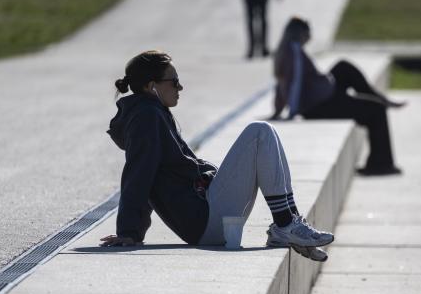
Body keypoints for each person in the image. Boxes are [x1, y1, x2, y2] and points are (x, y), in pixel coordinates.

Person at [100, 50, 332, 262]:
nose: (180, 88)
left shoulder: (153, 113)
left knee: (266, 132)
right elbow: (140, 173)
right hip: (203, 221)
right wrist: (129, 232)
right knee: (259, 132)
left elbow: (151, 174)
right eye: (174, 82)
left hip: (206, 214)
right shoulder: (146, 118)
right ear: (152, 86)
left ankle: (288, 222)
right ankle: (285, 224)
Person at [271, 17, 405, 176]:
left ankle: (378, 97)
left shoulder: (285, 50)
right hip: (319, 105)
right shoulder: (294, 52)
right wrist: (291, 112)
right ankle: (380, 164)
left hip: (321, 96)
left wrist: (278, 110)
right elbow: (293, 83)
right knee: (376, 110)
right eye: (308, 33)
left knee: (343, 67)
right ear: (300, 34)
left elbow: (281, 85)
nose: (310, 37)